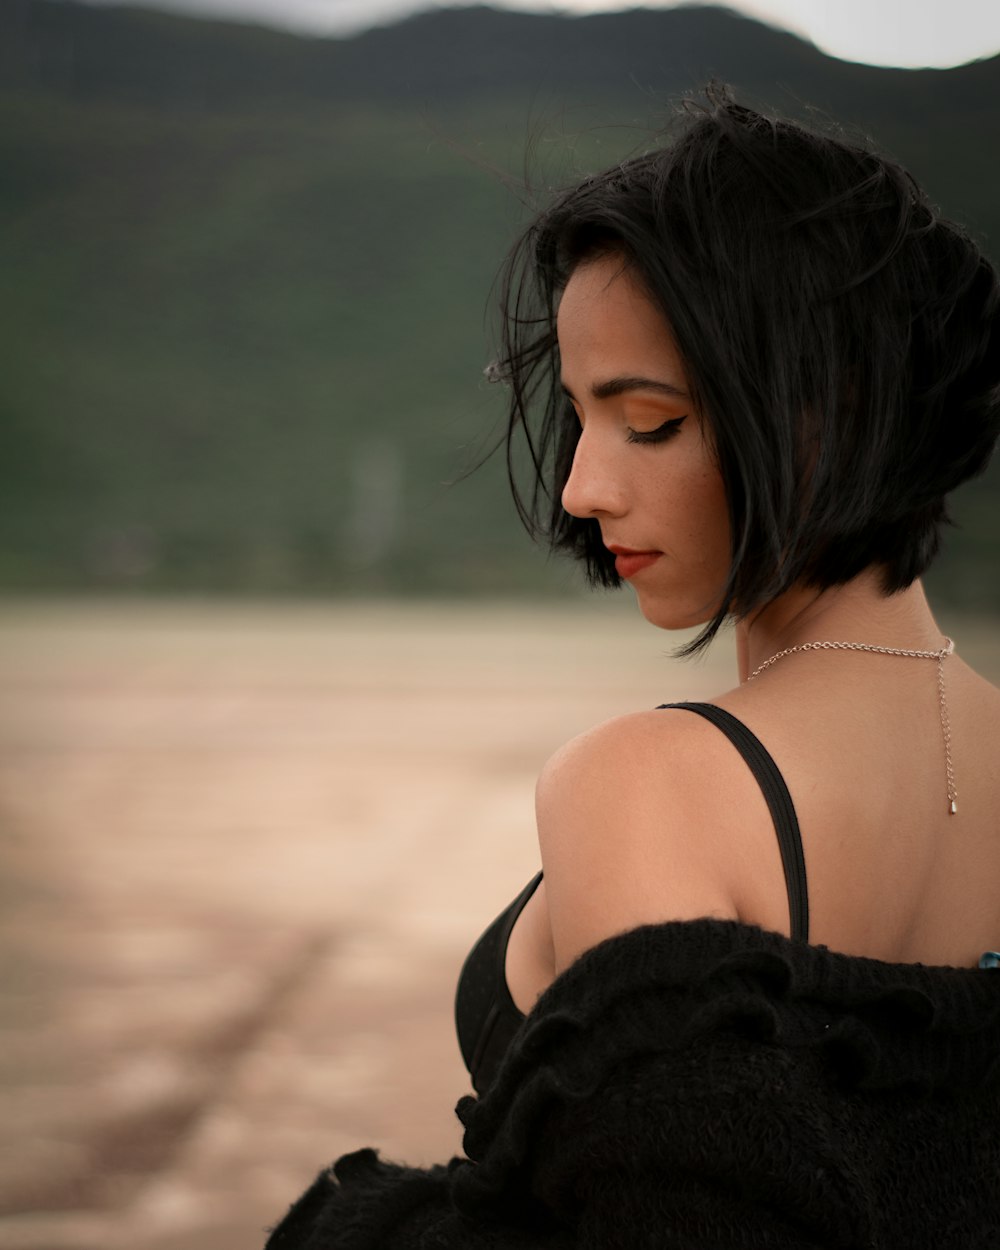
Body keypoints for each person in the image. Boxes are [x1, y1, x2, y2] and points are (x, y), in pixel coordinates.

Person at [265, 88, 1000, 1249]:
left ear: (827, 410)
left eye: (646, 420)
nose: (580, 485)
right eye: (577, 417)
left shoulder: (653, 778)